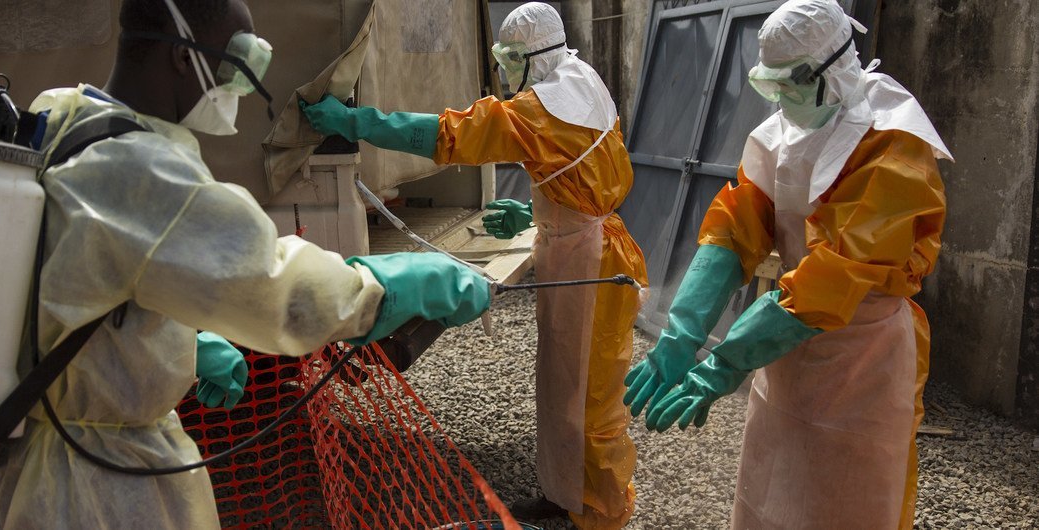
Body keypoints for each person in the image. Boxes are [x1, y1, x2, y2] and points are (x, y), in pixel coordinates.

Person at [0, 0, 490, 528]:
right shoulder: (142, 170)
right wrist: (388, 286)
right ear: (184, 57)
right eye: (237, 63)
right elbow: (281, 292)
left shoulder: (61, 119)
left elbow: (75, 280)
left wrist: (175, 339)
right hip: (93, 490)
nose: (240, 86)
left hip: (7, 464)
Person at [301, 3, 646, 528]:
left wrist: (355, 121)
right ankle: (567, 496)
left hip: (591, 261)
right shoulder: (583, 83)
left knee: (590, 397)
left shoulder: (538, 111)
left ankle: (600, 516)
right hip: (586, 241)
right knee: (562, 381)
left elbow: (445, 135)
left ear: (531, 56)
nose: (506, 69)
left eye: (509, 58)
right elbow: (591, 170)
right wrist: (537, 211)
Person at [623, 0, 952, 528]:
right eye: (770, 84)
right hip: (784, 346)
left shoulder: (893, 146)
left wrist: (724, 363)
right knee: (770, 493)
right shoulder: (783, 133)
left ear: (832, 70)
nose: (781, 99)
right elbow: (736, 228)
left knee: (848, 500)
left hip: (861, 355)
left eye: (791, 84)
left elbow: (835, 273)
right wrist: (682, 332)